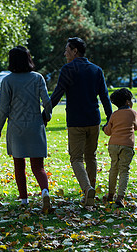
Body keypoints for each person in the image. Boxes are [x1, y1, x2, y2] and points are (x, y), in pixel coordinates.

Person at [48, 37, 112, 207]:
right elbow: (105, 97)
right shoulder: (96, 70)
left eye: (67, 50)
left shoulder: (68, 69)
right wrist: (110, 119)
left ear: (75, 51)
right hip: (93, 120)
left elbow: (57, 94)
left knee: (76, 158)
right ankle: (89, 197)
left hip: (76, 121)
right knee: (91, 156)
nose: (65, 53)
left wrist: (45, 112)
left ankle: (87, 189)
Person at [0, 46, 52, 212]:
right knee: (38, 166)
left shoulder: (8, 81)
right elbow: (46, 101)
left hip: (16, 127)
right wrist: (46, 116)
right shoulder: (38, 78)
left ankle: (24, 201)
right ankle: (45, 192)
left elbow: (3, 108)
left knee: (19, 166)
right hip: (35, 125)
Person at [102, 88, 137, 208]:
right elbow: (136, 126)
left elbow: (108, 131)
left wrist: (104, 127)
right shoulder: (132, 113)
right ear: (127, 102)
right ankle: (120, 197)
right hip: (127, 145)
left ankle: (111, 194)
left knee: (113, 168)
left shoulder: (114, 115)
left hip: (113, 144)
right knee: (124, 170)